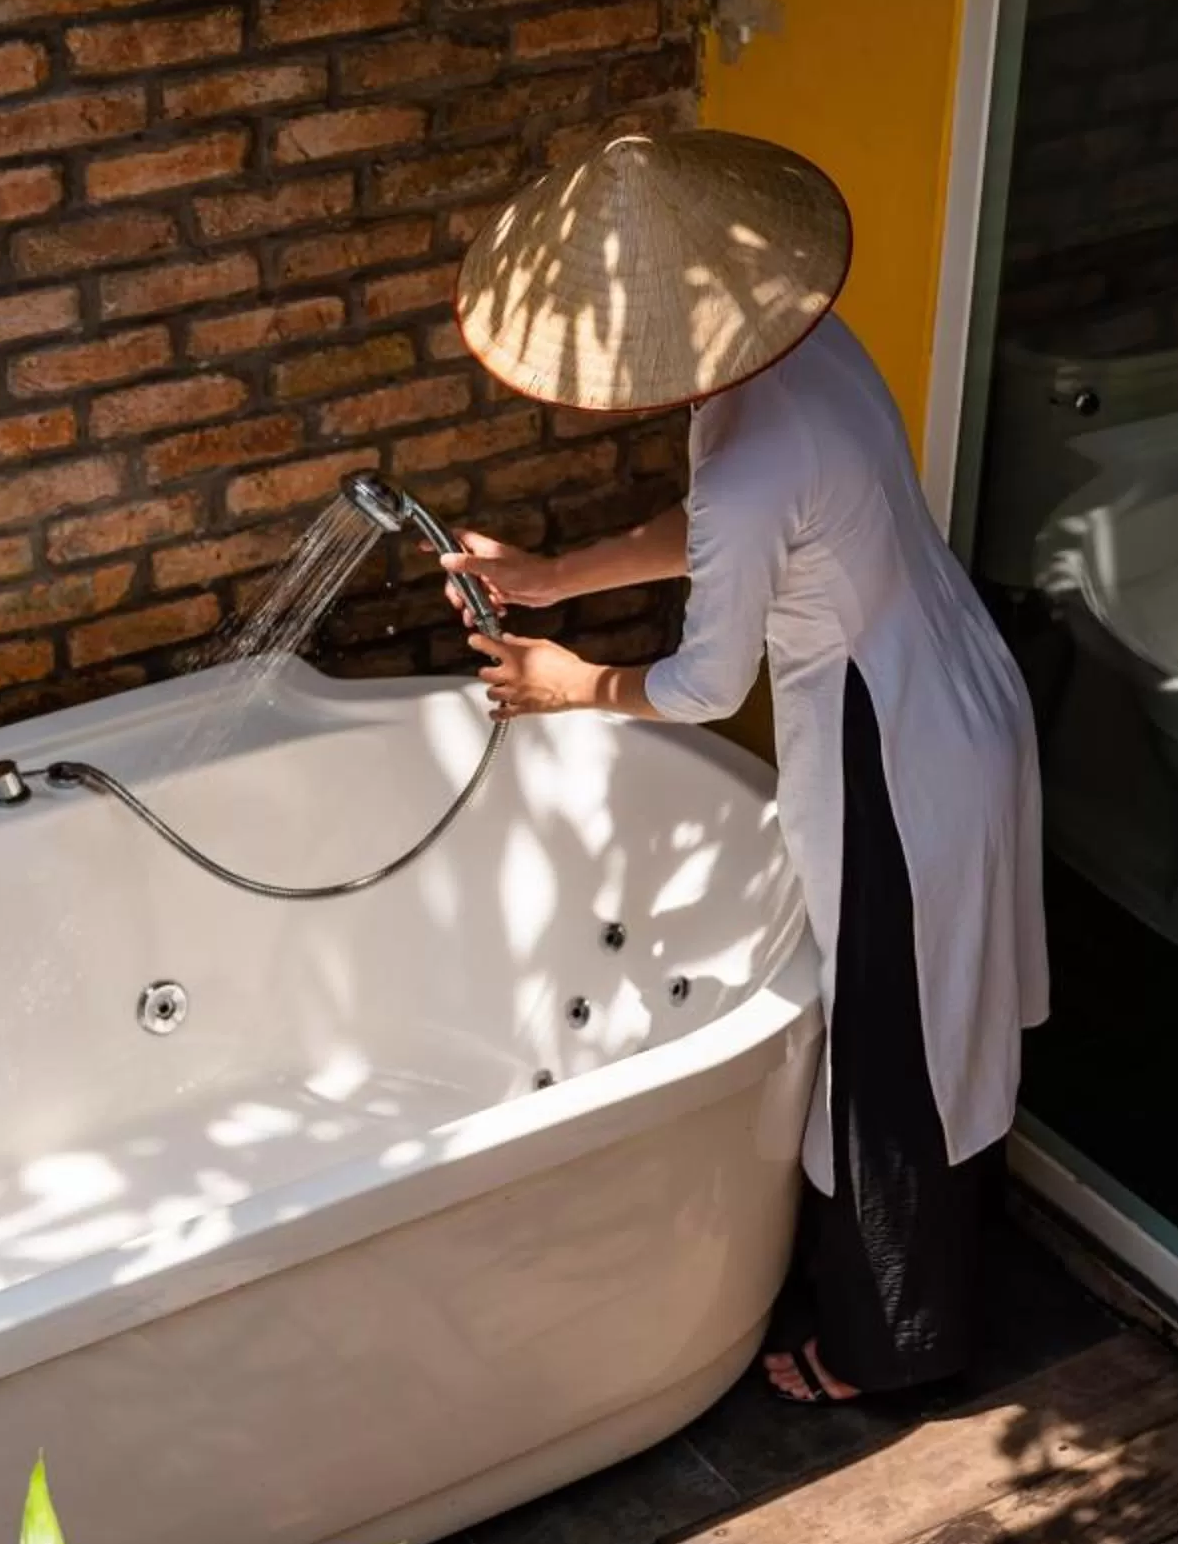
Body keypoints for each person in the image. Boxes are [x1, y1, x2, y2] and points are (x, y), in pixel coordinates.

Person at [437, 131, 1049, 1403]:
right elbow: (726, 528)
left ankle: (889, 1348)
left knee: (897, 1056)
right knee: (931, 1027)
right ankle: (904, 1298)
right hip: (950, 682)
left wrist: (572, 684)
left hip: (896, 756)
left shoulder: (757, 455)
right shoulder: (801, 347)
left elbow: (705, 684)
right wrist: (554, 575)